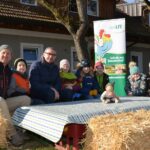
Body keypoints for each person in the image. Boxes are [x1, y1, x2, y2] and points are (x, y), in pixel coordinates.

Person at [0, 44, 31, 146]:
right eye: (3, 52)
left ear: (11, 56)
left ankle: (19, 128)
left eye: (8, 53)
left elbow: (14, 84)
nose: (5, 55)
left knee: (26, 99)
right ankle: (12, 134)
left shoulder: (9, 71)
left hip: (4, 101)